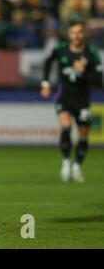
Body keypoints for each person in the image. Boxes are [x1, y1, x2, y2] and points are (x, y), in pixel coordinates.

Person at [41, 19, 103, 183]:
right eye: (73, 32)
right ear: (69, 34)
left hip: (82, 99)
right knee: (66, 126)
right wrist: (46, 83)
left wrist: (84, 72)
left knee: (83, 135)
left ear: (84, 34)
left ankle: (77, 166)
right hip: (64, 96)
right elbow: (48, 62)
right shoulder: (61, 49)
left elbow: (98, 80)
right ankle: (66, 162)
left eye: (79, 32)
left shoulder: (91, 53)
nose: (76, 35)